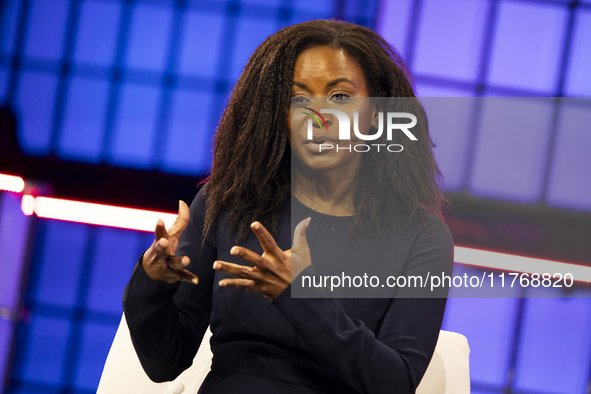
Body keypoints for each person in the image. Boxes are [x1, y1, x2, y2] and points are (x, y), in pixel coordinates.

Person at [123, 19, 454, 394]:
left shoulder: (422, 237)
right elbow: (164, 362)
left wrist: (301, 294)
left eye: (340, 97)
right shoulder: (229, 202)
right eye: (299, 99)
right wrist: (152, 281)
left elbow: (394, 383)